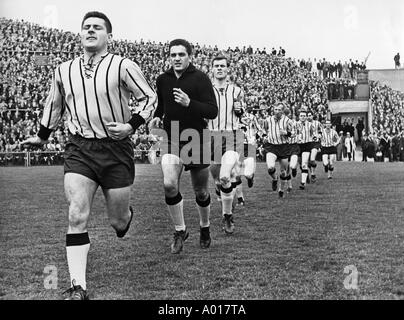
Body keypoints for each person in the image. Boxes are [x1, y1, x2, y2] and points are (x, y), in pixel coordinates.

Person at [22, 11, 157, 300]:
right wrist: (43, 135)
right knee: (76, 213)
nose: (91, 30)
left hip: (116, 149)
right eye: (86, 27)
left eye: (97, 27)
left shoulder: (123, 66)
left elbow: (150, 97)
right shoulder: (63, 70)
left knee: (118, 223)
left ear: (109, 35)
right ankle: (76, 286)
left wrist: (131, 125)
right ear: (80, 34)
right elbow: (54, 105)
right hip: (80, 149)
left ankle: (125, 216)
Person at [148, 39, 218, 254]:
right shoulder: (163, 79)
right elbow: (161, 105)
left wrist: (190, 104)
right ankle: (180, 230)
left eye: (181, 54)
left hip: (197, 139)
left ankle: (204, 227)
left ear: (190, 56)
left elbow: (212, 111)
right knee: (169, 184)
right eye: (173, 55)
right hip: (172, 139)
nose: (176, 58)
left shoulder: (201, 78)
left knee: (201, 191)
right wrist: (157, 118)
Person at [208, 54, 253, 234]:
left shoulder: (237, 91)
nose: (219, 68)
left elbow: (241, 114)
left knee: (226, 176)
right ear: (212, 69)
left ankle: (227, 216)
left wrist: (240, 111)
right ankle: (227, 199)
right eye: (216, 66)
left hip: (232, 135)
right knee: (218, 180)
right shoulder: (205, 91)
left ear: (227, 69)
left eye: (222, 66)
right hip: (209, 137)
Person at [262, 102, 293, 198]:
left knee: (283, 171)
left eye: (279, 110)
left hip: (283, 147)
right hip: (271, 146)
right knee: (270, 167)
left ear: (283, 111)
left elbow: (294, 133)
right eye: (275, 109)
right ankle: (275, 179)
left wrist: (287, 133)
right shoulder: (268, 120)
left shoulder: (287, 121)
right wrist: (264, 137)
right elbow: (264, 130)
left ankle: (281, 190)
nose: (277, 111)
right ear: (273, 110)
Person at [296, 109, 314, 190]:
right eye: (301, 116)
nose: (302, 117)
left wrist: (314, 137)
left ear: (306, 117)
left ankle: (303, 183)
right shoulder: (295, 124)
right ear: (299, 117)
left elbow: (313, 134)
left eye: (304, 116)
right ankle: (305, 175)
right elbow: (293, 133)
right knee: (300, 164)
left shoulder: (310, 125)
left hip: (307, 145)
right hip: (298, 145)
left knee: (304, 163)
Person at [307, 110, 323, 182]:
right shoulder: (304, 124)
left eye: (310, 115)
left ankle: (313, 173)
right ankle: (308, 173)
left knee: (312, 159)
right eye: (308, 115)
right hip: (306, 143)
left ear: (312, 116)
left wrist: (318, 136)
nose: (309, 117)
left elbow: (321, 132)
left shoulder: (317, 123)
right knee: (307, 161)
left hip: (315, 143)